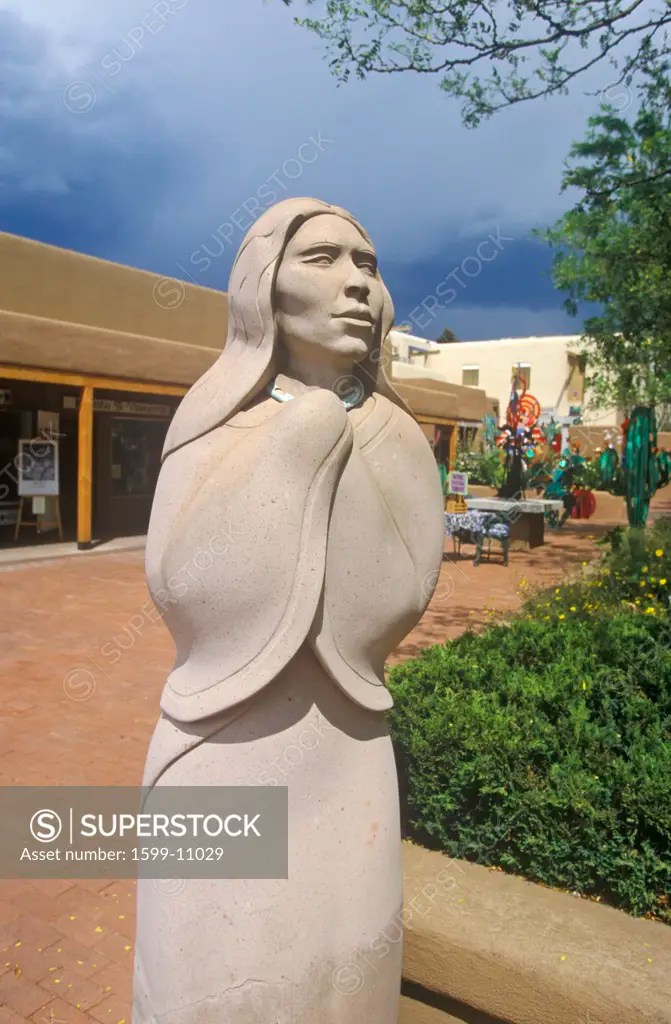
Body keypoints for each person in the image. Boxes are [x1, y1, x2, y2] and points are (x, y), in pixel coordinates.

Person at [133, 197, 445, 1024]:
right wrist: (299, 446)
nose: (355, 283)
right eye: (323, 259)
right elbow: (180, 584)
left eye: (367, 266)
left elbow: (402, 594)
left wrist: (326, 441)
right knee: (205, 981)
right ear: (264, 286)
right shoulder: (214, 417)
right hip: (222, 740)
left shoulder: (396, 435)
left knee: (340, 982)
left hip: (345, 747)